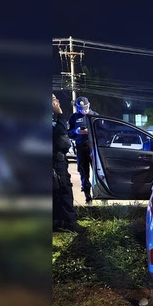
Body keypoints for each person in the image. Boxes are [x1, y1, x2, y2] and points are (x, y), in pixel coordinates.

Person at [52, 94, 84, 233]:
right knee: (64, 191)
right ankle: (69, 223)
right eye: (54, 99)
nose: (57, 101)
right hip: (55, 162)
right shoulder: (55, 119)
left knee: (59, 192)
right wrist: (60, 115)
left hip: (58, 161)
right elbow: (63, 141)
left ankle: (59, 222)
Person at [67, 96, 98, 205]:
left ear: (89, 105)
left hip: (94, 148)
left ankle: (102, 196)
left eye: (85, 108)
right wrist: (75, 131)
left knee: (98, 173)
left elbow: (102, 132)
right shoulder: (73, 117)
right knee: (84, 173)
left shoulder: (94, 116)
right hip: (81, 148)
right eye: (81, 109)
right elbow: (68, 133)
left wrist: (90, 131)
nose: (83, 111)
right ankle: (88, 197)